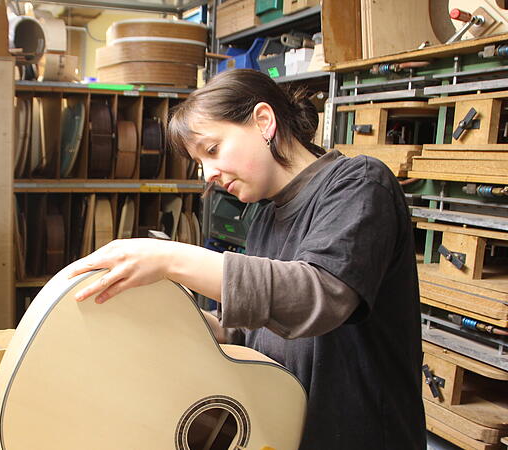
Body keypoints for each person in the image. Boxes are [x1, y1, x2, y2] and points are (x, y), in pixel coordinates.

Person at [67, 69, 426, 449]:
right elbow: (248, 331)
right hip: (288, 434)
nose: (208, 174)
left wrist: (169, 257)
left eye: (212, 149)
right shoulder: (265, 215)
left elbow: (316, 295)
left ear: (263, 122)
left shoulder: (359, 183)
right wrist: (160, 316)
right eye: (199, 162)